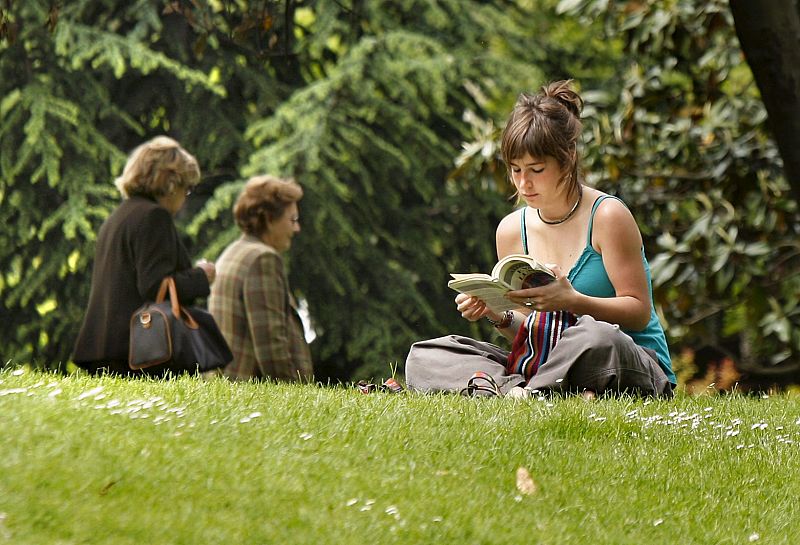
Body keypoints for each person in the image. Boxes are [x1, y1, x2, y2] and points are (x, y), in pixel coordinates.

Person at [406, 80, 675, 398]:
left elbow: (639, 312)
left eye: (536, 169)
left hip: (622, 361)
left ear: (568, 157)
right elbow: (529, 334)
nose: (523, 183)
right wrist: (496, 313)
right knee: (428, 354)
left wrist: (572, 301)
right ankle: (523, 393)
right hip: (546, 365)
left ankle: (518, 391)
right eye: (515, 170)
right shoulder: (511, 229)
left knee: (595, 336)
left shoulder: (608, 216)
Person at [73, 136, 216, 375]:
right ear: (171, 183)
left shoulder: (120, 216)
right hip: (137, 352)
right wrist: (201, 276)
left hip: (105, 347)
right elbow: (154, 286)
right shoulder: (154, 217)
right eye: (187, 188)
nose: (185, 197)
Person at [208, 175, 313, 382]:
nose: (296, 228)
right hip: (248, 394)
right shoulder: (262, 259)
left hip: (228, 387)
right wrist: (299, 397)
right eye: (292, 220)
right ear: (268, 219)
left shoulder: (235, 251)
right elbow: (271, 348)